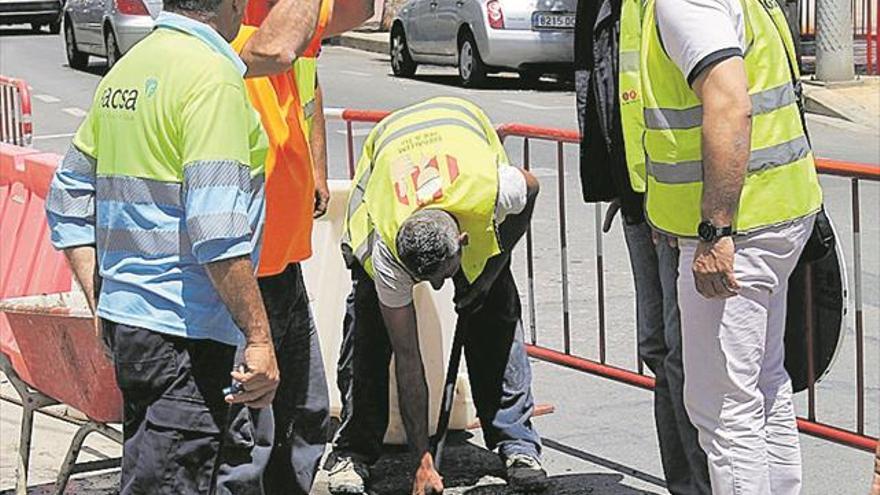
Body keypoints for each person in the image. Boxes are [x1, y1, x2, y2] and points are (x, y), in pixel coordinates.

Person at [43, 0, 329, 490]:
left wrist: (104, 299)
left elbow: (68, 198)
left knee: (170, 471)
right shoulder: (212, 78)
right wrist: (259, 338)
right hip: (187, 336)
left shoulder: (128, 69)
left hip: (133, 327)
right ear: (229, 5)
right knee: (174, 478)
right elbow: (216, 231)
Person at [639, 0, 823, 493]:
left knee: (724, 411)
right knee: (763, 387)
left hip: (741, 230)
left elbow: (729, 105)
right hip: (777, 214)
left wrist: (714, 231)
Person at [326, 97, 547, 495]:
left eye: (445, 277)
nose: (443, 289)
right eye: (428, 280)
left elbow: (532, 189)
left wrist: (490, 271)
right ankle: (352, 450)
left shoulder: (491, 191)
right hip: (390, 151)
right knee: (368, 334)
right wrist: (423, 463)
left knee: (495, 310)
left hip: (461, 123)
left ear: (462, 240)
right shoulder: (383, 247)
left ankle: (517, 444)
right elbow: (408, 359)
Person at [220, 0, 374, 492]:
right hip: (242, 267)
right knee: (250, 432)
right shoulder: (231, 36)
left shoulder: (287, 20)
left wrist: (318, 167)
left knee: (302, 414)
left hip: (283, 258)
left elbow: (360, 12)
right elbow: (280, 49)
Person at [574, 0, 711, 493]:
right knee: (658, 349)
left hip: (677, 206)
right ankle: (685, 484)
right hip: (638, 200)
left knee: (683, 355)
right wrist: (616, 183)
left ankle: (703, 485)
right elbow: (603, 94)